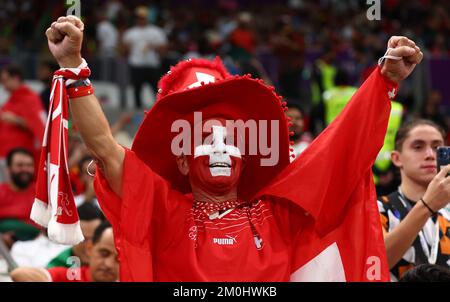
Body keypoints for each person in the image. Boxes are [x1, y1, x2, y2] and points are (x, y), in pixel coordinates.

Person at [43, 15, 423, 281]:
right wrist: (74, 68)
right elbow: (104, 148)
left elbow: (340, 149)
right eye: (206, 140)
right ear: (182, 160)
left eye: (231, 139)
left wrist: (384, 81)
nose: (222, 148)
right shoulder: (161, 208)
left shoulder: (278, 213)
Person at [378, 119, 450, 281]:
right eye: (418, 147)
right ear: (397, 158)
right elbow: (376, 261)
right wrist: (427, 206)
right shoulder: (377, 208)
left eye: (437, 147)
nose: (430, 155)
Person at [10, 220, 118, 282]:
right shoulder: (72, 276)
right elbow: (19, 274)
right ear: (90, 248)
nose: (109, 264)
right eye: (104, 253)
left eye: (118, 259)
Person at [0, 65, 45, 182]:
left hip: (19, 158)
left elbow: (40, 127)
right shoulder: (11, 100)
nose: (3, 85)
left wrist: (16, 120)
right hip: (7, 155)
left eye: (5, 80)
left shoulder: (30, 98)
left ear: (15, 78)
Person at [122, 6, 168, 108]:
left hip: (152, 64)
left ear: (147, 18)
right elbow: (124, 49)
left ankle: (160, 108)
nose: (141, 19)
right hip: (136, 64)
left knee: (157, 90)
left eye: (143, 17)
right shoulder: (130, 32)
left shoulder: (156, 31)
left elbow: (164, 48)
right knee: (137, 90)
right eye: (139, 17)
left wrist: (154, 47)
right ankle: (138, 111)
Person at [0, 148, 40, 245]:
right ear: (9, 169)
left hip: (43, 245)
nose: (25, 169)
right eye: (20, 165)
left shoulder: (42, 192)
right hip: (8, 249)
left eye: (29, 165)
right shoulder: (1, 192)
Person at [47, 202, 103, 268]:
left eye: (94, 239)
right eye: (82, 239)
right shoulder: (56, 267)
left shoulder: (113, 265)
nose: (89, 245)